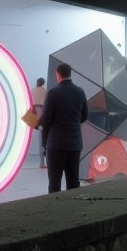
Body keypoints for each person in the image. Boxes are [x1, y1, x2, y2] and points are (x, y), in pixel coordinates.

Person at [40, 61, 89, 192]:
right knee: (73, 182)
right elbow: (84, 116)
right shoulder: (80, 92)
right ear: (69, 74)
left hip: (56, 144)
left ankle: (56, 210)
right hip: (74, 144)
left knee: (55, 183)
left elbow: (46, 119)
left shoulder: (53, 93)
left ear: (57, 74)